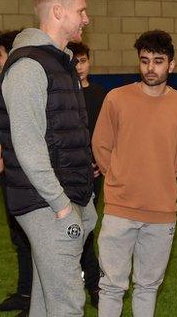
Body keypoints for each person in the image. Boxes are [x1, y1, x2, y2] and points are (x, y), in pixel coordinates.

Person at [0, 0, 97, 316]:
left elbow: (69, 139)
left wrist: (87, 201)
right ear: (58, 11)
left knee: (46, 301)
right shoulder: (29, 67)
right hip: (47, 205)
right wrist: (63, 208)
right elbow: (28, 147)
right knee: (67, 304)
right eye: (81, 11)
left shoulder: (59, 62)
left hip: (62, 201)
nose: (86, 19)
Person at [92, 30, 177, 317]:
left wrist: (156, 180)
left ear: (171, 65)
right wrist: (121, 177)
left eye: (158, 61)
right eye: (145, 60)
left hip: (161, 211)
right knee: (111, 285)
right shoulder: (116, 98)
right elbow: (101, 145)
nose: (151, 67)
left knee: (148, 286)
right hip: (119, 209)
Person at [0, 30, 32, 317]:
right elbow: (7, 134)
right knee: (20, 239)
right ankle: (25, 294)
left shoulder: (22, 83)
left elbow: (18, 134)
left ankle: (34, 303)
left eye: (0, 53)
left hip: (26, 177)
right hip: (14, 174)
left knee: (31, 241)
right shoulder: (10, 82)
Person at [67, 41, 105, 307]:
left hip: (93, 172)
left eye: (82, 61)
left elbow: (110, 136)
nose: (78, 67)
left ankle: (93, 283)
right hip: (66, 172)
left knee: (87, 230)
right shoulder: (60, 95)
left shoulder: (101, 96)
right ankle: (76, 283)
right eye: (73, 62)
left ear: (89, 61)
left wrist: (101, 163)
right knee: (68, 231)